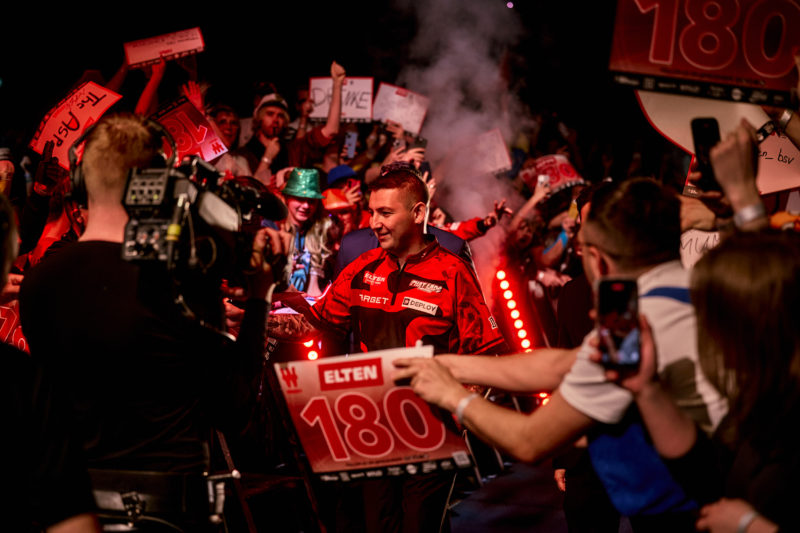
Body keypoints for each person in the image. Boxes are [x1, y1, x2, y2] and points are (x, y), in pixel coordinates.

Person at [394, 177, 728, 530]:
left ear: (597, 259)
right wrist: (450, 365)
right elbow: (561, 364)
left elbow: (530, 440)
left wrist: (452, 395)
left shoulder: (632, 328)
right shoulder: (681, 288)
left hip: (686, 510)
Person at [19, 113, 283, 530]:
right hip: (170, 512)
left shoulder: (38, 282)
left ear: (85, 182)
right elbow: (234, 409)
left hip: (74, 509)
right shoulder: (177, 275)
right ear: (153, 185)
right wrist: (260, 297)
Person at [270, 164, 507, 532]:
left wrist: (461, 412)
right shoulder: (362, 267)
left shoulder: (452, 272)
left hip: (431, 430)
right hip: (373, 429)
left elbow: (486, 351)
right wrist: (251, 319)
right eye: (371, 212)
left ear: (417, 213)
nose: (374, 223)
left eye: (385, 213)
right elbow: (317, 322)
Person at [608, 230, 800, 532]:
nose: (705, 331)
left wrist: (750, 526)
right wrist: (646, 388)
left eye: (715, 316)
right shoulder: (761, 397)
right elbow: (707, 477)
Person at [270, 167, 335, 297]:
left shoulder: (316, 233)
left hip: (296, 306)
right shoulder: (272, 227)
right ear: (287, 198)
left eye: (311, 201)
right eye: (300, 198)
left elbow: (312, 289)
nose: (306, 206)